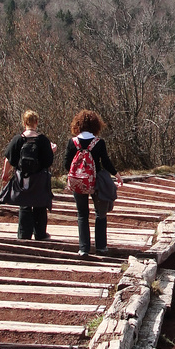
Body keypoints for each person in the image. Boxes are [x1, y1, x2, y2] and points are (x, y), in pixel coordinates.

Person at [64, 110, 122, 257]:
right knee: (100, 214)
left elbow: (66, 164)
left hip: (78, 182)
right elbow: (106, 162)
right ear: (96, 125)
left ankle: (83, 248)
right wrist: (116, 174)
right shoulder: (99, 142)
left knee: (82, 214)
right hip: (96, 182)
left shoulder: (72, 142)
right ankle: (101, 247)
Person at [1, 110, 57, 241]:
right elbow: (48, 161)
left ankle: (24, 234)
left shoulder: (18, 139)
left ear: (24, 122)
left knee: (24, 204)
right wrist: (52, 150)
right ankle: (40, 233)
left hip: (22, 176)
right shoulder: (43, 140)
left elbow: (8, 158)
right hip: (39, 177)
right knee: (40, 203)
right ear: (36, 122)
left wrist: (5, 174)